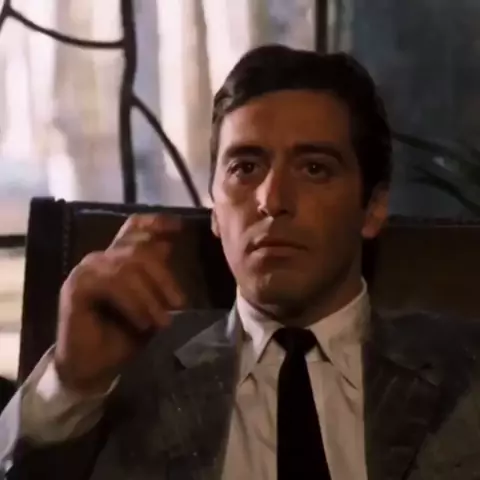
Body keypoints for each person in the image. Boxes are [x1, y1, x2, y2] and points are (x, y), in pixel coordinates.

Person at [1, 44, 480, 480]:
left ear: (372, 207)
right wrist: (71, 384)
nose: (272, 200)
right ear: (214, 208)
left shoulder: (465, 371)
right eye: (245, 167)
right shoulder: (128, 371)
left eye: (314, 168)